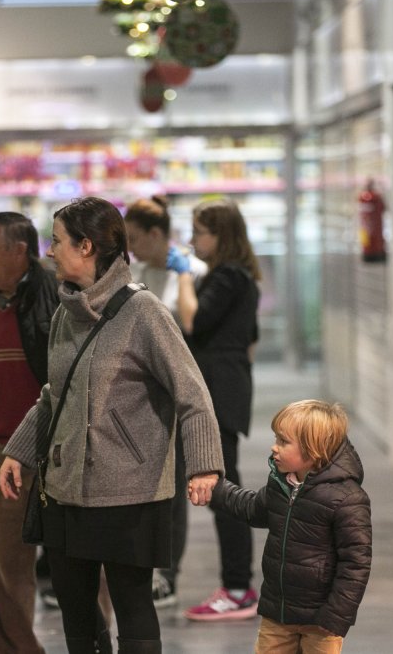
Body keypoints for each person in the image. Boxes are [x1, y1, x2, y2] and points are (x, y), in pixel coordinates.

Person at [0, 196, 225, 654]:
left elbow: (193, 394)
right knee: (77, 617)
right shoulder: (66, 311)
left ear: (86, 247)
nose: (49, 251)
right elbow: (53, 395)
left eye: (57, 241)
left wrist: (205, 467)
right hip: (65, 488)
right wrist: (18, 450)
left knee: (133, 611)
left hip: (130, 491)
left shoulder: (145, 313)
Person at [0, 211, 59, 654]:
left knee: (80, 565)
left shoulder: (57, 295)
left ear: (19, 251)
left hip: (55, 451)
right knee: (6, 572)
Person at [204, 400, 372, 654]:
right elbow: (251, 508)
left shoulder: (347, 499)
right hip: (277, 614)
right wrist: (215, 489)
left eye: (283, 441)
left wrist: (337, 615)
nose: (274, 447)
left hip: (320, 620)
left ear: (313, 449)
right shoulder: (281, 485)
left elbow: (356, 563)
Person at [176, 198, 264, 621]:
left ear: (220, 234)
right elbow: (251, 338)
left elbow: (193, 321)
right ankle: (237, 585)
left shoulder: (227, 276)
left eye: (199, 232)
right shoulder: (239, 277)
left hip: (217, 389)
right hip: (225, 386)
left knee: (221, 488)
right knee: (221, 486)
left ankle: (237, 587)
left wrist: (182, 276)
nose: (193, 240)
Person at [123, 195, 207, 608]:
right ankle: (143, 565)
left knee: (174, 485)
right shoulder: (132, 274)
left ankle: (168, 573)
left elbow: (197, 330)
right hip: (138, 393)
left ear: (157, 234)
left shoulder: (192, 273)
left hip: (177, 391)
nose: (131, 247)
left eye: (136, 238)